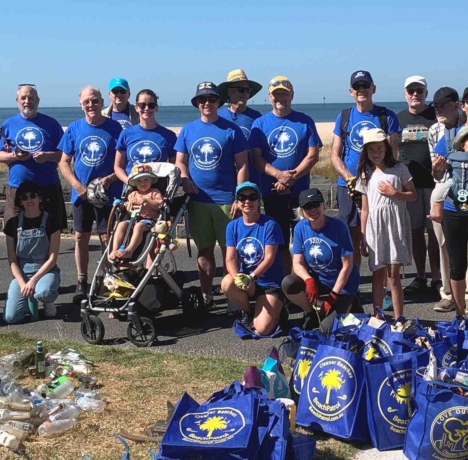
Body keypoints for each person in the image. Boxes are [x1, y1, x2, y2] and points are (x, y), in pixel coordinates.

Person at [176, 81, 249, 297]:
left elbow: (242, 165)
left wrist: (240, 196)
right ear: (197, 103)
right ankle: (206, 294)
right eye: (202, 99)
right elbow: (180, 161)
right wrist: (184, 178)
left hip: (227, 200)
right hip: (198, 201)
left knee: (230, 252)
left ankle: (232, 297)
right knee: (205, 251)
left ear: (219, 101)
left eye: (212, 99)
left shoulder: (232, 130)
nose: (207, 103)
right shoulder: (188, 130)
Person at [58, 86, 125, 302]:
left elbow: (124, 162)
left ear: (101, 102)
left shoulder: (115, 128)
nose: (91, 105)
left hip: (108, 195)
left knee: (108, 239)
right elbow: (64, 162)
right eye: (87, 102)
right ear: (81, 104)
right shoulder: (74, 129)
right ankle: (82, 282)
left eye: (95, 101)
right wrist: (77, 185)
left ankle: (111, 284)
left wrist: (109, 180)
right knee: (80, 237)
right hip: (82, 195)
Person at [330, 70, 400, 254]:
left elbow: (393, 153)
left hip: (377, 184)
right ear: (351, 91)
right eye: (357, 86)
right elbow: (334, 155)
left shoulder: (387, 116)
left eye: (365, 86)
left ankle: (382, 280)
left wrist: (379, 178)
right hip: (348, 185)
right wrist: (349, 178)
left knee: (380, 232)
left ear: (373, 88)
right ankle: (354, 279)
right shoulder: (344, 117)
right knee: (350, 234)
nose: (361, 90)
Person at [430, 125, 468, 320]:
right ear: (461, 144)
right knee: (457, 265)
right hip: (453, 212)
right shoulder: (450, 152)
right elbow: (438, 176)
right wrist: (436, 169)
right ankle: (460, 313)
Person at [250, 76, 321, 234]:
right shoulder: (260, 124)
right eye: (276, 94)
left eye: (285, 94)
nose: (280, 98)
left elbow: (313, 155)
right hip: (272, 191)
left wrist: (291, 178)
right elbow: (256, 158)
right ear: (270, 97)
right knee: (278, 242)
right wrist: (278, 175)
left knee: (304, 238)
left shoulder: (305, 121)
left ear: (292, 95)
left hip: (300, 193)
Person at [358, 127, 415, 319]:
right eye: (371, 150)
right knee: (377, 274)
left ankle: (399, 318)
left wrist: (395, 194)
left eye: (379, 149)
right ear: (365, 151)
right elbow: (364, 209)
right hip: (375, 227)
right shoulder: (365, 174)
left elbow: (412, 195)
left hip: (394, 224)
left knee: (393, 275)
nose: (376, 154)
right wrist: (363, 236)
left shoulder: (399, 169)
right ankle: (377, 315)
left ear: (387, 148)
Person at [0, 84, 65, 235]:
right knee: (14, 231)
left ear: (37, 100)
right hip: (17, 187)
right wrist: (14, 156)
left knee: (51, 231)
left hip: (48, 186)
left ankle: (50, 259)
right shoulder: (8, 124)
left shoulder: (52, 124)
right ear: (17, 100)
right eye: (23, 98)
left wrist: (47, 156)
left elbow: (64, 156)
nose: (27, 101)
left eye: (31, 97)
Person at [222, 181, 287, 336]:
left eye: (252, 197)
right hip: (247, 281)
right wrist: (237, 277)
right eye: (242, 198)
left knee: (262, 330)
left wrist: (252, 277)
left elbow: (269, 257)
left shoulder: (270, 224)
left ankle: (280, 309)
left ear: (259, 201)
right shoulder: (233, 226)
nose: (247, 201)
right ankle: (248, 311)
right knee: (226, 283)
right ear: (237, 202)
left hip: (268, 281)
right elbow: (230, 258)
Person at [284, 187, 358, 321]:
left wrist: (334, 295)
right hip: (319, 281)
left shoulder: (339, 227)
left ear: (323, 205)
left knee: (327, 331)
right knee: (289, 283)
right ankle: (310, 312)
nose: (313, 210)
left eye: (316, 205)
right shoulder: (300, 228)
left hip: (342, 284)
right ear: (302, 211)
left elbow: (347, 265)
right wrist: (308, 280)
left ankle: (351, 303)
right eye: (307, 207)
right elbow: (297, 262)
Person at [397, 76, 441, 297]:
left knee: (434, 233)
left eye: (420, 91)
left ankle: (437, 276)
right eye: (411, 91)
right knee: (415, 233)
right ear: (405, 94)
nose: (415, 94)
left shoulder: (436, 116)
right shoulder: (399, 119)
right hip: (410, 186)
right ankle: (420, 276)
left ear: (426, 93)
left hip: (434, 184)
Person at [425, 86, 467, 314]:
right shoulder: (435, 131)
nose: (439, 110)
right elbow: (437, 172)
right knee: (443, 244)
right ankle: (448, 293)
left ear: (456, 105)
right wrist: (437, 170)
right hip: (443, 190)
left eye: (444, 105)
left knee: (467, 246)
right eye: (436, 106)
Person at [2, 182, 63, 324]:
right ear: (20, 202)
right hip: (22, 273)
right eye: (24, 197)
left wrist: (34, 281)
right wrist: (23, 284)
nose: (29, 200)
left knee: (44, 292)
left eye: (33, 196)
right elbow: (12, 260)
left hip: (45, 270)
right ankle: (24, 301)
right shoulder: (12, 223)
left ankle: (47, 300)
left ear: (40, 198)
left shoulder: (51, 222)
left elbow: (52, 258)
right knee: (11, 318)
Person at [108, 165, 166, 268]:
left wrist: (148, 200)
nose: (143, 183)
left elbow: (159, 206)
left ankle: (129, 250)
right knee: (121, 225)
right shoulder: (133, 194)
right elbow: (127, 207)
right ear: (134, 183)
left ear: (151, 181)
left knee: (139, 226)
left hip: (149, 220)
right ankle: (114, 249)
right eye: (139, 181)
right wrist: (124, 205)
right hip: (133, 219)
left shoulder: (154, 192)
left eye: (146, 180)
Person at [113, 87, 176, 183]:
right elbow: (118, 166)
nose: (146, 109)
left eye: (151, 105)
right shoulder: (126, 134)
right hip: (131, 192)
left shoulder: (168, 135)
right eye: (142, 105)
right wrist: (129, 182)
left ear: (156, 108)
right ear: (136, 108)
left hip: (157, 192)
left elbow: (174, 167)